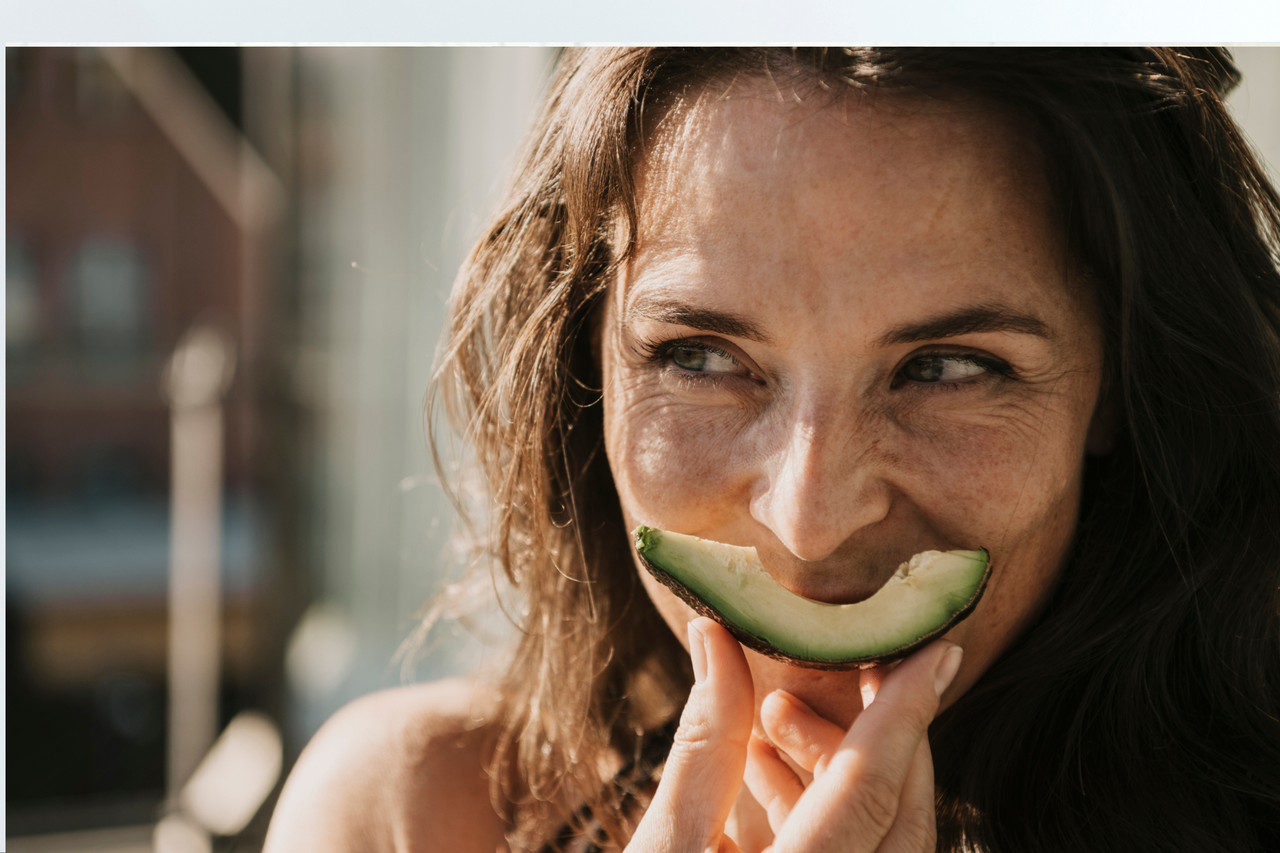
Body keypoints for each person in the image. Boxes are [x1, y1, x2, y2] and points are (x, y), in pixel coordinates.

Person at [264, 48, 1280, 853]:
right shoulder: (412, 813)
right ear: (588, 363)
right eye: (700, 356)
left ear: (1116, 383)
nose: (809, 518)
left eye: (945, 368)